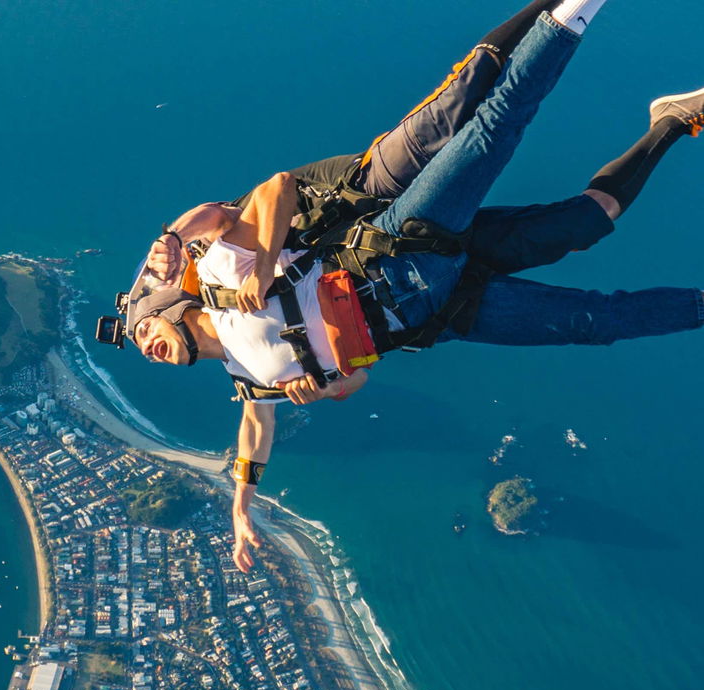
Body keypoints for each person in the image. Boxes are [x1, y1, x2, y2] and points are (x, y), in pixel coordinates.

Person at [120, 2, 704, 572]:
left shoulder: (224, 277)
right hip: (441, 312)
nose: (149, 347)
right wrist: (249, 500)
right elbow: (326, 394)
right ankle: (672, 123)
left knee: (493, 128)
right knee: (592, 273)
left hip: (402, 249)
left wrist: (255, 257)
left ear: (170, 305)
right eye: (145, 346)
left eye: (146, 329)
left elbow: (270, 193)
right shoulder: (249, 381)